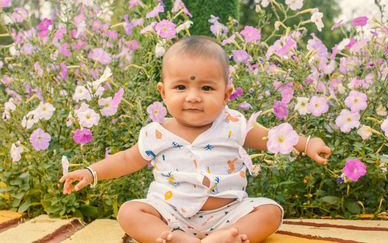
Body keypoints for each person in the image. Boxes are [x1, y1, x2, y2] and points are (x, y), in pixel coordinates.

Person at [60, 36, 332, 243]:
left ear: (226, 94)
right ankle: (178, 238)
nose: (193, 96)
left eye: (206, 88)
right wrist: (91, 171)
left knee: (270, 211)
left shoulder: (234, 124)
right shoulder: (156, 133)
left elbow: (272, 138)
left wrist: (307, 144)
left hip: (228, 212)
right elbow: (128, 159)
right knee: (129, 213)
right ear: (163, 92)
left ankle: (229, 236)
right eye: (180, 87)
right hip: (171, 213)